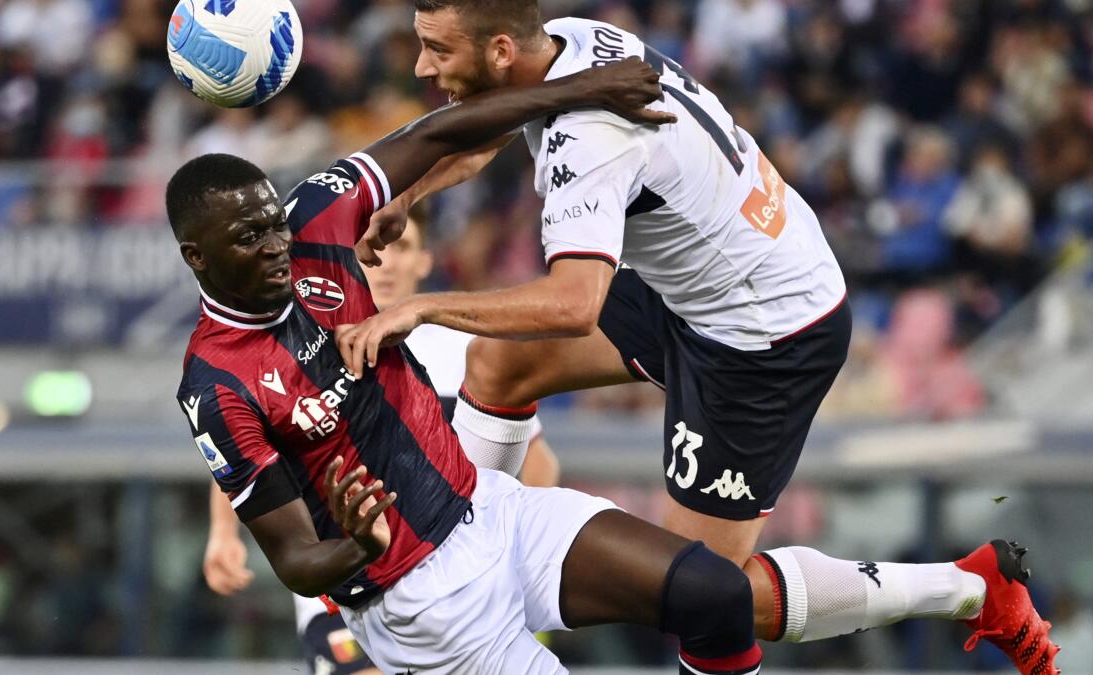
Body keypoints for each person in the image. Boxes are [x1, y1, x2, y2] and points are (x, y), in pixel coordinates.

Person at [332, 1, 1060, 671]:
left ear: (498, 49)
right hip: (701, 283)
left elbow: (571, 305)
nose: (422, 66)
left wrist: (420, 309)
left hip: (763, 334)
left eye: (435, 48)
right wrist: (413, 196)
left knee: (702, 592)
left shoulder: (590, 140)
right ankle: (463, 577)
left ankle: (968, 587)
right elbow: (498, 118)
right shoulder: (571, 40)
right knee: (497, 367)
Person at [171, 60, 780, 675]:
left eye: (275, 224)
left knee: (715, 595)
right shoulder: (215, 385)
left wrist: (576, 91)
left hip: (492, 509)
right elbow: (295, 559)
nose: (277, 246)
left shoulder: (315, 221)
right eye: (250, 238)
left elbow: (436, 135)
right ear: (197, 256)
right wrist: (355, 546)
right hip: (421, 602)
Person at [200, 204, 559, 674]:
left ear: (425, 261)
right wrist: (223, 533)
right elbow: (247, 452)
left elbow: (538, 460)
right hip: (349, 587)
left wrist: (509, 545)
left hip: (455, 576)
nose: (385, 264)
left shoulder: (461, 346)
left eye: (402, 248)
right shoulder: (305, 340)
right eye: (374, 250)